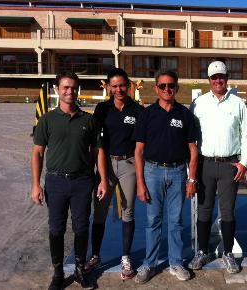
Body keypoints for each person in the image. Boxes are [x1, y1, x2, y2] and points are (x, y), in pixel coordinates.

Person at [31, 72, 108, 290]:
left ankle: (80, 269)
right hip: (55, 182)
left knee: (81, 227)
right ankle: (58, 273)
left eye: (73, 88)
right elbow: (37, 153)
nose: (69, 91)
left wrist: (102, 180)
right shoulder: (47, 120)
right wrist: (36, 184)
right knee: (56, 228)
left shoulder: (89, 120)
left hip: (83, 182)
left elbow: (98, 152)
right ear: (57, 89)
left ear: (78, 90)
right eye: (65, 87)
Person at [133, 70, 198, 283]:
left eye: (171, 85)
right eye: (163, 86)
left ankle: (176, 263)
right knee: (153, 221)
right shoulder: (147, 114)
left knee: (176, 221)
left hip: (178, 173)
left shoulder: (185, 115)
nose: (167, 89)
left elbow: (192, 151)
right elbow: (139, 151)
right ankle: (149, 264)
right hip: (152, 173)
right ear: (156, 89)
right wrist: (140, 183)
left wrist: (191, 179)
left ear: (177, 88)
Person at [189, 60, 247, 274]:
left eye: (221, 76)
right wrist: (192, 169)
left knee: (227, 211)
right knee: (204, 209)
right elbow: (191, 139)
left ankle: (227, 252)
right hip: (206, 164)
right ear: (209, 80)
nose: (218, 80)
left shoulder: (238, 103)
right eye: (214, 77)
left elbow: (246, 136)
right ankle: (202, 251)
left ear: (227, 78)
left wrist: (244, 163)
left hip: (229, 166)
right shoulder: (198, 104)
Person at [84, 68, 144, 280]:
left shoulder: (137, 110)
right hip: (105, 165)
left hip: (128, 164)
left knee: (128, 212)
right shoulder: (102, 109)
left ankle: (126, 256)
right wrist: (96, 173)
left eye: (122, 85)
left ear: (128, 86)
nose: (119, 89)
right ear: (109, 87)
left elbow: (141, 144)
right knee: (100, 212)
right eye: (114, 86)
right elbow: (95, 142)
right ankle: (96, 255)